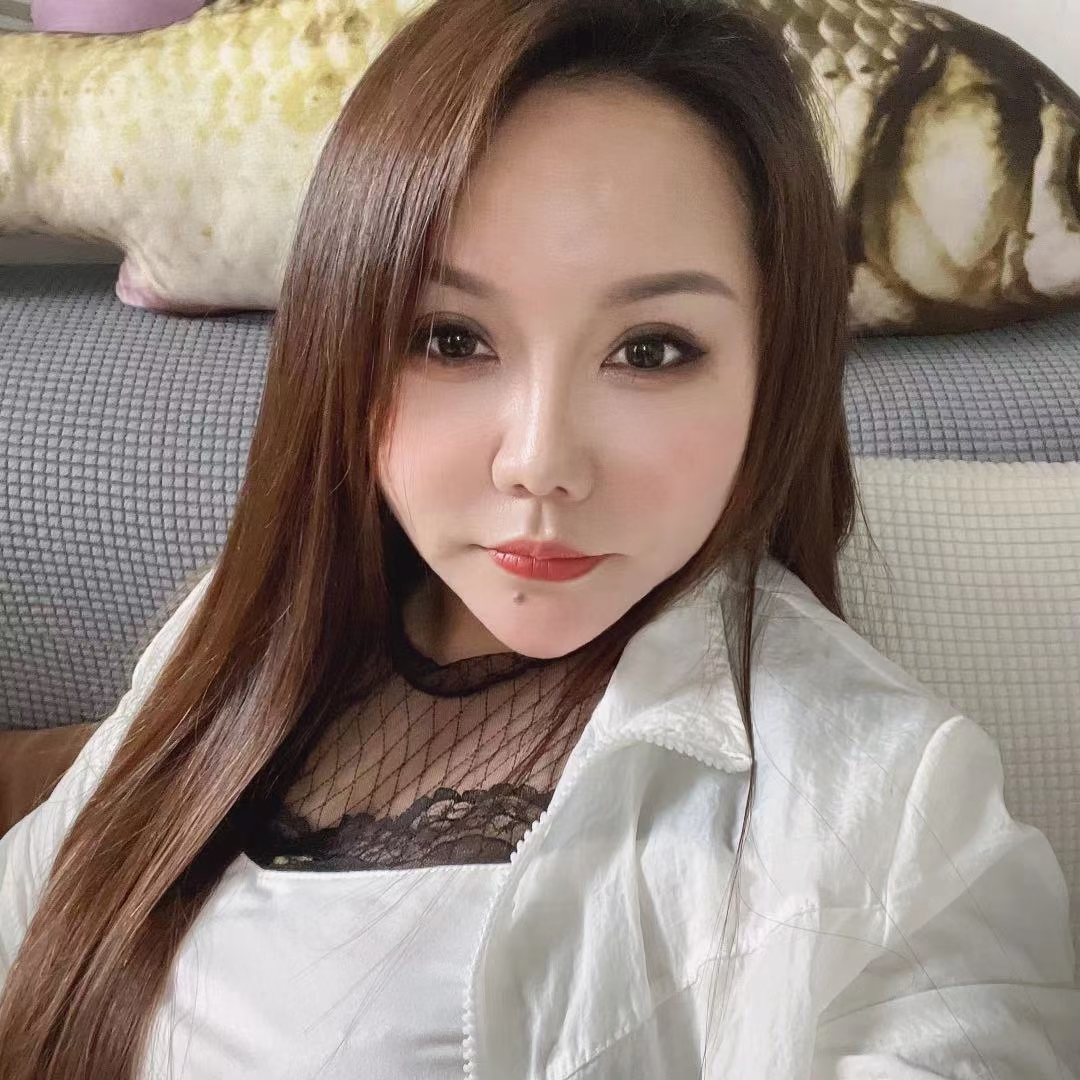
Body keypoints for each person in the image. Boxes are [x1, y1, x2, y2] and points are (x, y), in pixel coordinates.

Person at [1, 0, 1077, 1076]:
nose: (540, 460)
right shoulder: (236, 635)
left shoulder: (897, 816)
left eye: (651, 350)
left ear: (773, 370)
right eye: (450, 338)